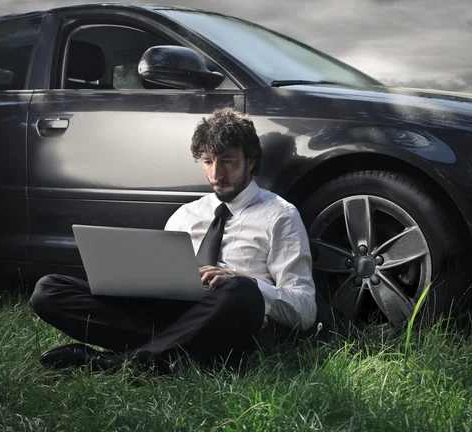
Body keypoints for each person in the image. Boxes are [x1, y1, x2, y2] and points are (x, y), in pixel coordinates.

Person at [29, 107, 317, 372]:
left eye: (228, 161)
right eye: (208, 161)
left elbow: (305, 310)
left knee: (241, 291)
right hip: (169, 319)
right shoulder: (186, 214)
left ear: (251, 162)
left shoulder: (280, 216)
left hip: (228, 320)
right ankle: (167, 355)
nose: (217, 174)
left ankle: (112, 362)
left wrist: (245, 282)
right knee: (49, 290)